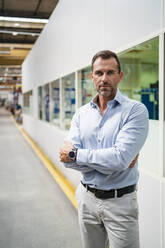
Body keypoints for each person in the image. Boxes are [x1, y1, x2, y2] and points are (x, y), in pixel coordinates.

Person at [60, 50, 149, 248]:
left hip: (120, 203)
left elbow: (119, 159)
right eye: (99, 73)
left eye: (110, 72)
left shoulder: (135, 111)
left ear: (120, 76)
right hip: (86, 198)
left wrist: (77, 154)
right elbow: (66, 161)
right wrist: (112, 160)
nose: (104, 78)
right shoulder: (81, 114)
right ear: (92, 77)